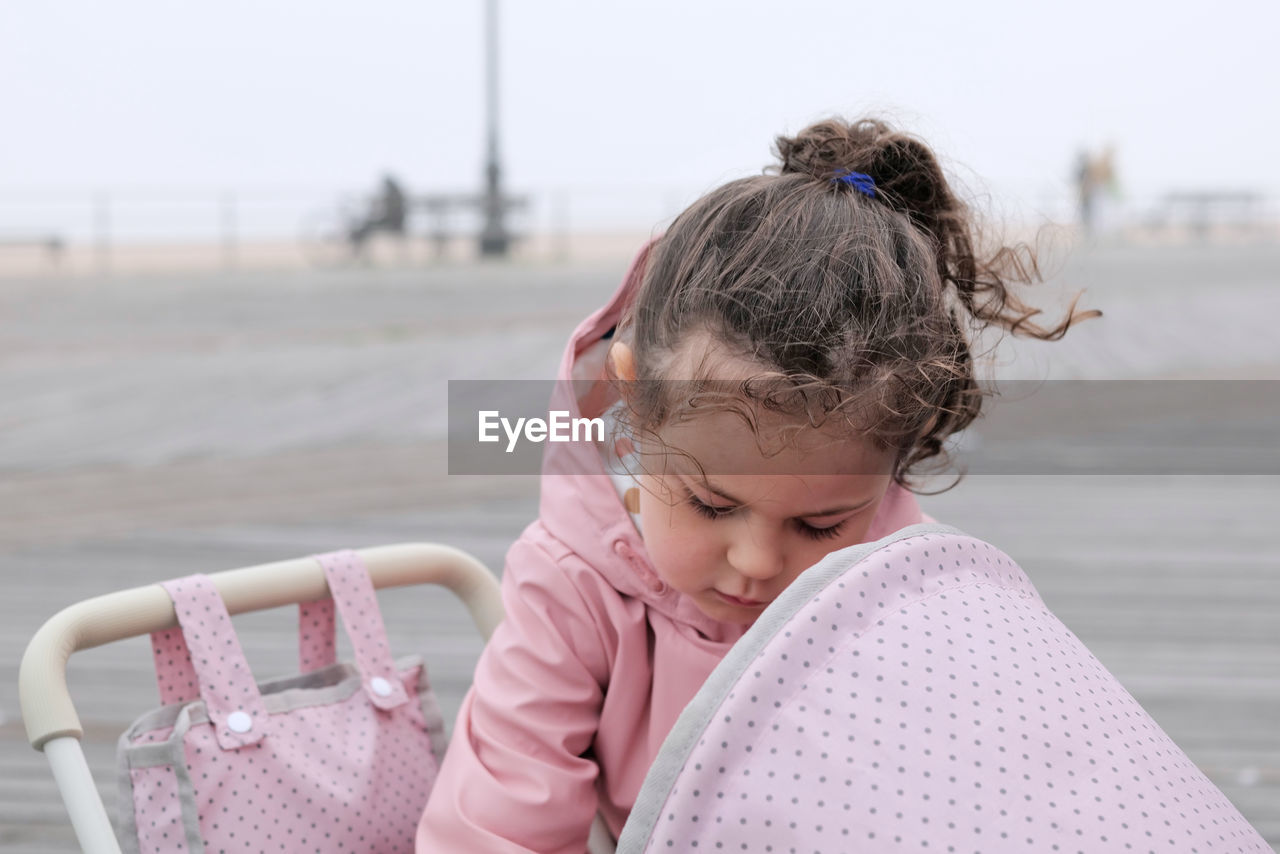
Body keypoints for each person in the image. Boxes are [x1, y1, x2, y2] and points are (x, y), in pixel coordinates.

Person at [416, 117, 1097, 852]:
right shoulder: (574, 584)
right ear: (634, 397)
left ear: (897, 454)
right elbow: (493, 830)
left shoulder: (918, 602)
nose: (756, 562)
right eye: (713, 504)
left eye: (821, 525)